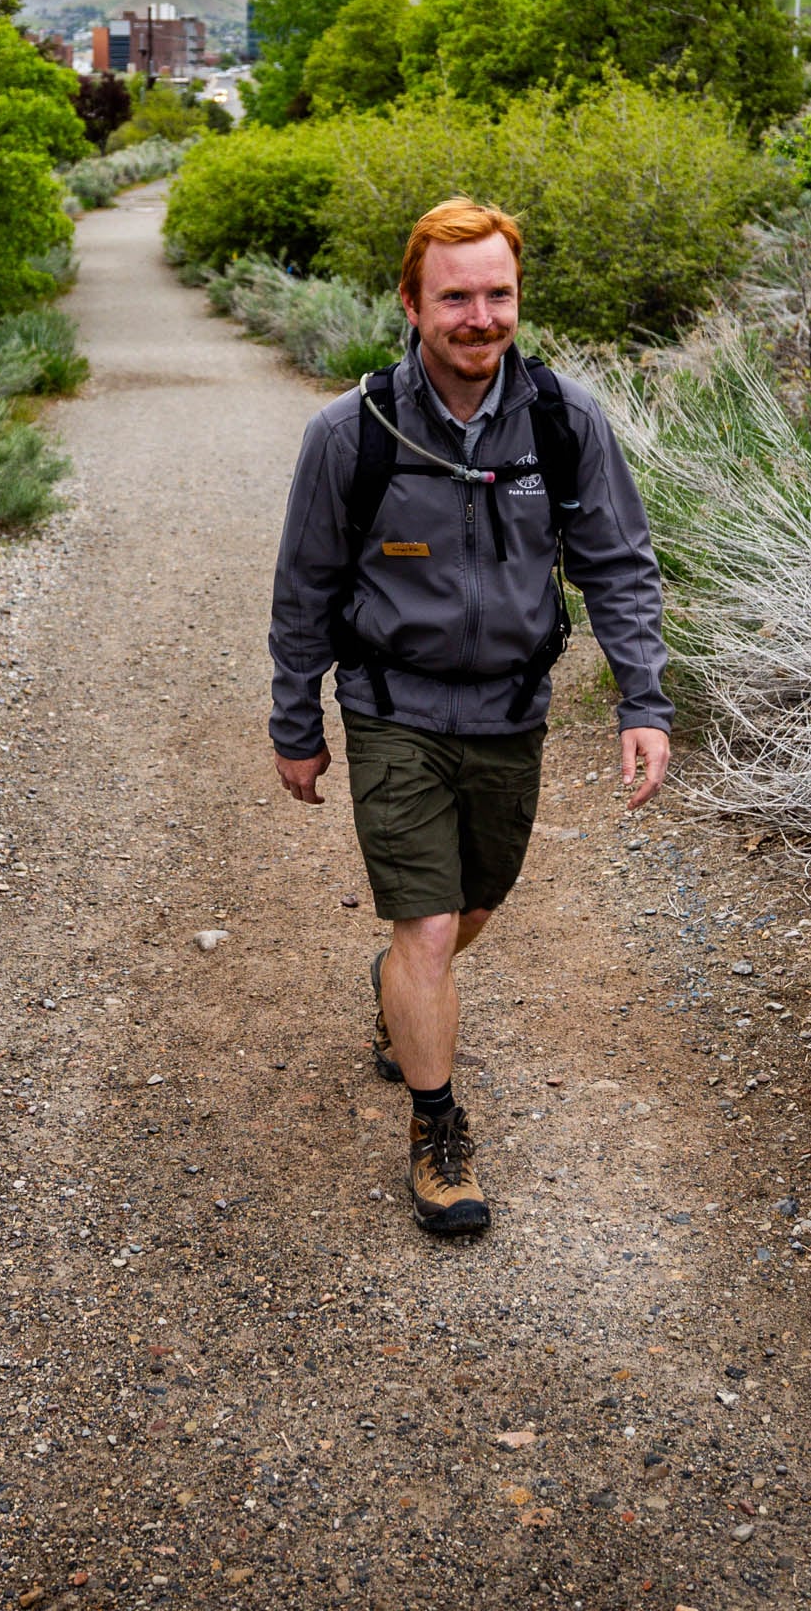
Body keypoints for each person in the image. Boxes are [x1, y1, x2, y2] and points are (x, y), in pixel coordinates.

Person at [267, 196, 673, 1235]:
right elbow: (304, 588)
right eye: (456, 296)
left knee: (474, 907)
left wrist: (643, 698)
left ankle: (399, 984)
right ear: (411, 302)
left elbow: (618, 565)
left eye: (498, 293)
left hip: (512, 710)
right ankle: (438, 1131)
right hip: (393, 706)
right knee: (432, 922)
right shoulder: (349, 433)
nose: (480, 316)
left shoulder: (562, 421)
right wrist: (295, 720)